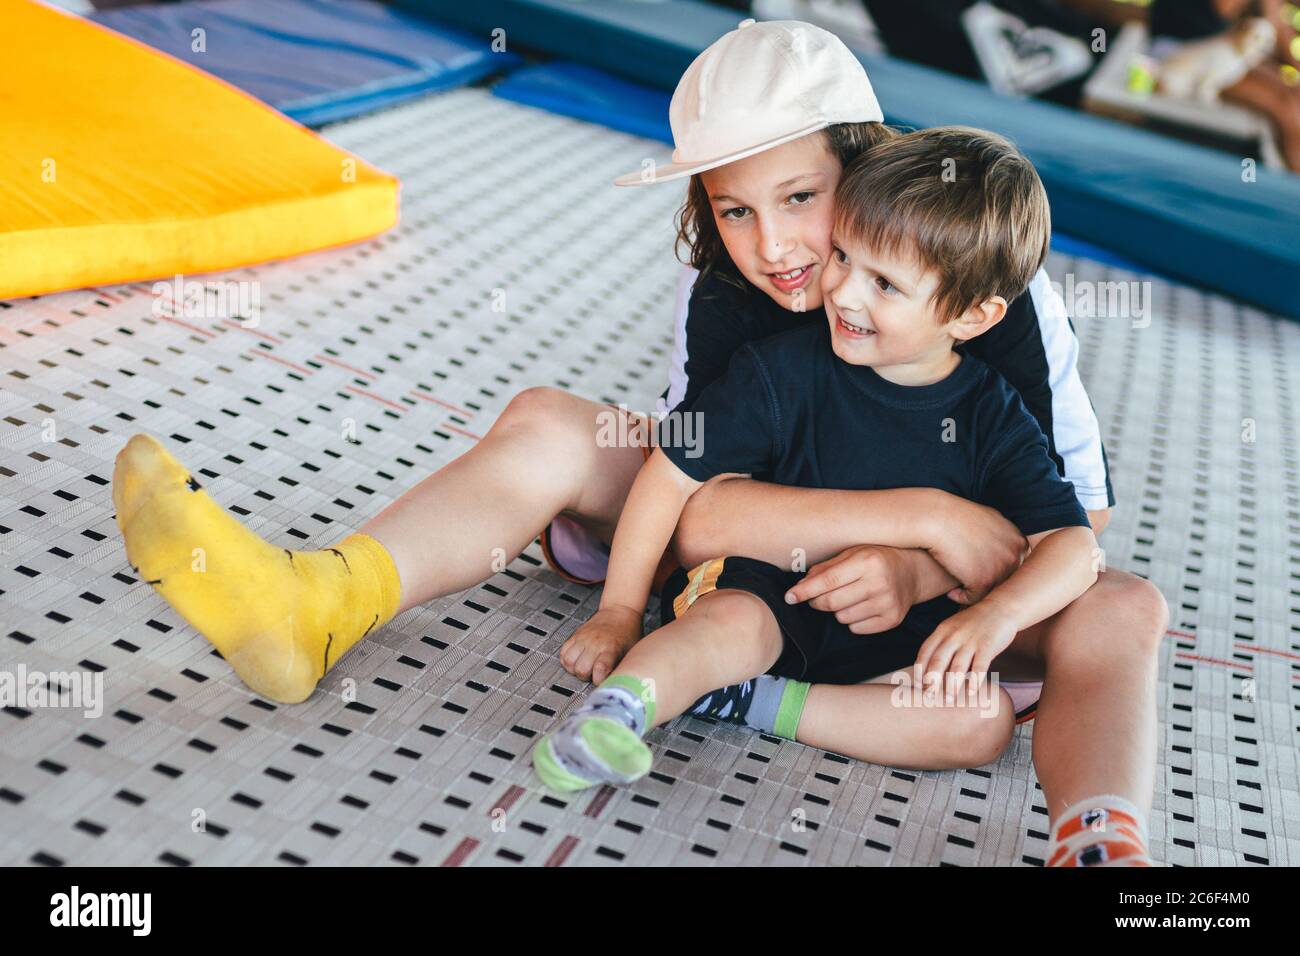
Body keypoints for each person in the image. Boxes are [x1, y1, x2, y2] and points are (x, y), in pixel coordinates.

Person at [110, 19, 1167, 866]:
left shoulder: (991, 280)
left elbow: (1077, 524)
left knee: (1121, 604)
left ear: (865, 160)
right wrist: (914, 516)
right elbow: (698, 501)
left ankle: (1099, 837)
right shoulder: (725, 282)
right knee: (546, 419)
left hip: (959, 613)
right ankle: (318, 604)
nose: (776, 248)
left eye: (801, 198)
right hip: (759, 559)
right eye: (736, 211)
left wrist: (919, 562)